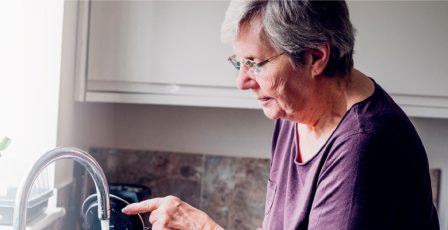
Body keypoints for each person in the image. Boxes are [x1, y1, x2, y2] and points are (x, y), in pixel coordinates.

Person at [122, 1, 440, 229]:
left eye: (256, 63)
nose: (242, 81)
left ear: (315, 56)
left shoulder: (363, 148)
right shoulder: (295, 111)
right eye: (239, 62)